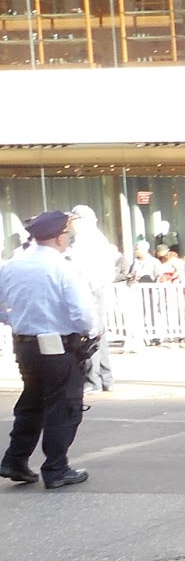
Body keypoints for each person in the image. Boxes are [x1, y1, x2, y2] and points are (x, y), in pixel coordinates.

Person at [0, 211, 99, 488]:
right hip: (58, 346)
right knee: (63, 407)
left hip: (25, 345)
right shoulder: (61, 267)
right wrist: (90, 331)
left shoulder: (13, 265)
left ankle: (15, 460)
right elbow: (82, 313)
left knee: (32, 403)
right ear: (58, 238)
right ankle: (56, 468)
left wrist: (15, 321)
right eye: (68, 234)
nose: (69, 238)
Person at [66, 204, 122, 393]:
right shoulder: (98, 239)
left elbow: (82, 271)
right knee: (98, 334)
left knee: (89, 334)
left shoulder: (85, 241)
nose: (70, 224)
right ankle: (105, 378)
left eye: (72, 220)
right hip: (97, 288)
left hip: (90, 289)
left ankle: (93, 380)